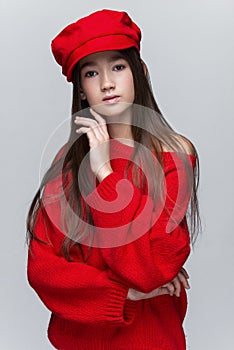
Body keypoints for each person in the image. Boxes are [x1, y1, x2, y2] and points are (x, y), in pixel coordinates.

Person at [26, 9, 201, 350]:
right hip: (82, 341)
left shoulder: (174, 155)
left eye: (118, 67)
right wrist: (122, 294)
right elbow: (44, 269)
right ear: (81, 90)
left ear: (140, 72)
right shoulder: (69, 162)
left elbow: (152, 268)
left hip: (150, 338)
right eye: (92, 73)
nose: (106, 82)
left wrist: (106, 174)